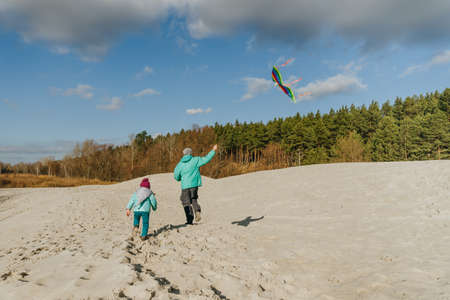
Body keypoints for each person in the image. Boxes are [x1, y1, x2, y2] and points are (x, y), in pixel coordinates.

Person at [174, 144, 217, 224]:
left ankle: (189, 220)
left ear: (184, 154)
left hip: (185, 186)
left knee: (186, 202)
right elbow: (206, 159)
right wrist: (213, 150)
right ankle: (197, 211)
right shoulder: (195, 160)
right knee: (194, 199)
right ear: (191, 153)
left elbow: (176, 176)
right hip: (194, 185)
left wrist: (180, 178)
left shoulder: (180, 164)